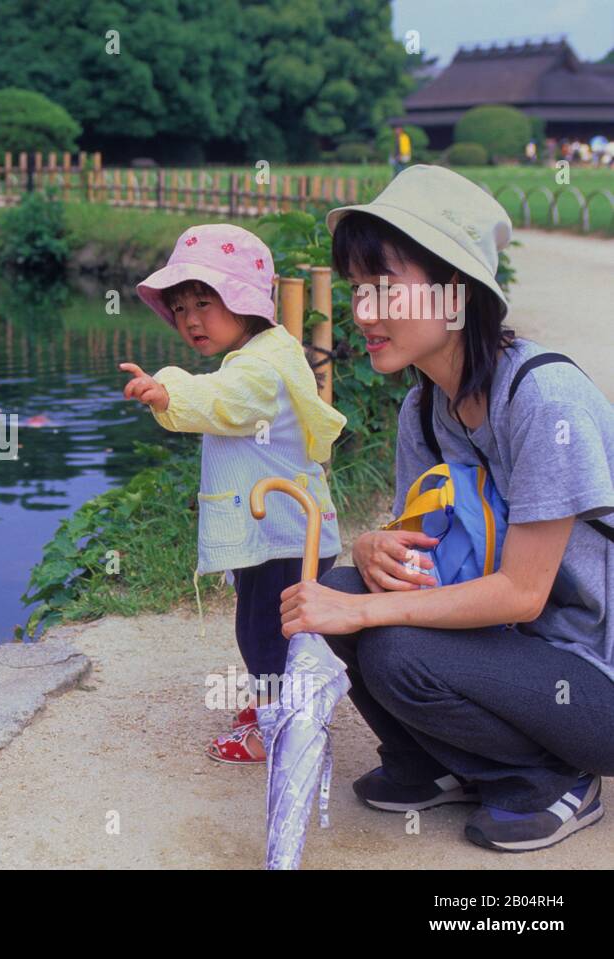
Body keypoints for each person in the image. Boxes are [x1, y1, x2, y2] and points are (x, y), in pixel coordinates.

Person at [282, 164, 614, 851]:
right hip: (518, 657)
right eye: (356, 291)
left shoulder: (543, 400)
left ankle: (550, 782)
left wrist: (368, 609)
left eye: (383, 289)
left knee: (392, 640)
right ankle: (434, 761)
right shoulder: (424, 411)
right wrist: (377, 551)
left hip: (592, 681)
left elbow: (522, 594)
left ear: (456, 295)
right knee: (341, 587)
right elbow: (425, 559)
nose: (363, 313)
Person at [120, 224, 347, 764]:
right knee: (271, 627)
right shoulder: (263, 353)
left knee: (266, 634)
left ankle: (276, 729)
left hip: (285, 535)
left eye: (205, 301)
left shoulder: (258, 372)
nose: (191, 319)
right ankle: (281, 707)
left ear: (245, 302)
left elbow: (225, 401)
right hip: (281, 528)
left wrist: (167, 390)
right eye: (179, 307)